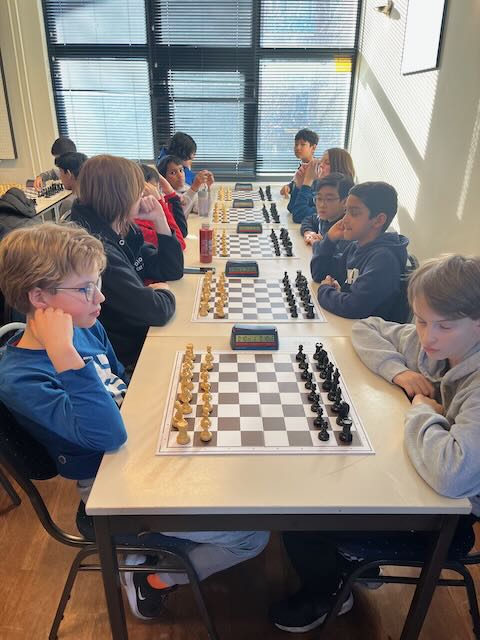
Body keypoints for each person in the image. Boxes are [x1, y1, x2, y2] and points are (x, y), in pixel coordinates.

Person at [0, 223, 269, 621]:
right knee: (252, 535)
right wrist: (63, 353)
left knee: (247, 471)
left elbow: (121, 384)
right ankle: (152, 578)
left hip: (140, 448)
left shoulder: (86, 326)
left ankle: (150, 545)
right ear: (39, 298)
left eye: (98, 283)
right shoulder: (22, 377)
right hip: (108, 484)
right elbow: (107, 436)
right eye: (85, 288)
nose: (101, 297)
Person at [270, 254, 480, 633]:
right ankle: (352, 565)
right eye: (420, 320)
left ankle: (328, 593)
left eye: (444, 325)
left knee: (301, 515)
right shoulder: (437, 348)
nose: (427, 337)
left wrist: (421, 411)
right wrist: (399, 372)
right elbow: (367, 327)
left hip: (450, 516)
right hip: (421, 475)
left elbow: (452, 476)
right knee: (322, 477)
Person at [70, 155, 184, 368]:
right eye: (137, 191)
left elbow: (171, 270)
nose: (142, 195)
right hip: (126, 356)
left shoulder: (121, 227)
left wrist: (160, 220)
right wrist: (163, 291)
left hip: (140, 336)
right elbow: (156, 311)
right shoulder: (96, 250)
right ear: (120, 197)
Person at [310, 181, 409, 321]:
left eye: (354, 213)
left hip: (370, 333)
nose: (344, 219)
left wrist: (325, 290)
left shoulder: (384, 259)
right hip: (350, 326)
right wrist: (329, 239)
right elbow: (320, 274)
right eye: (346, 211)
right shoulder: (355, 247)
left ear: (378, 220)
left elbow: (353, 307)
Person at [289, 148, 355, 224]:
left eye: (327, 163)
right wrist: (299, 186)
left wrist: (307, 182)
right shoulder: (320, 185)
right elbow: (292, 208)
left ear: (339, 168)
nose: (320, 165)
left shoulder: (339, 193)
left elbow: (299, 215)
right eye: (321, 162)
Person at [136, 163, 186, 250]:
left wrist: (170, 193)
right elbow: (178, 244)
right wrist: (159, 202)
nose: (159, 194)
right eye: (155, 190)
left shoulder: (146, 216)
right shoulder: (136, 226)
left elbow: (182, 231)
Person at [300, 173, 354, 247]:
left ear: (345, 202)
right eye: (319, 198)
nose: (322, 205)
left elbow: (337, 252)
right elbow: (309, 220)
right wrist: (308, 232)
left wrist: (318, 244)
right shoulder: (325, 218)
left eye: (329, 199)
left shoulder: (346, 229)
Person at [280, 128, 319, 199]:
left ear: (313, 148)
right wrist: (289, 187)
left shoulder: (317, 170)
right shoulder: (303, 165)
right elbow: (298, 183)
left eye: (303, 144)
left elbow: (311, 195)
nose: (297, 148)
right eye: (296, 144)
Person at [54, 152, 88, 217]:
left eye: (60, 171)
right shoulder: (92, 196)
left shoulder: (69, 203)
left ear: (69, 174)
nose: (60, 177)